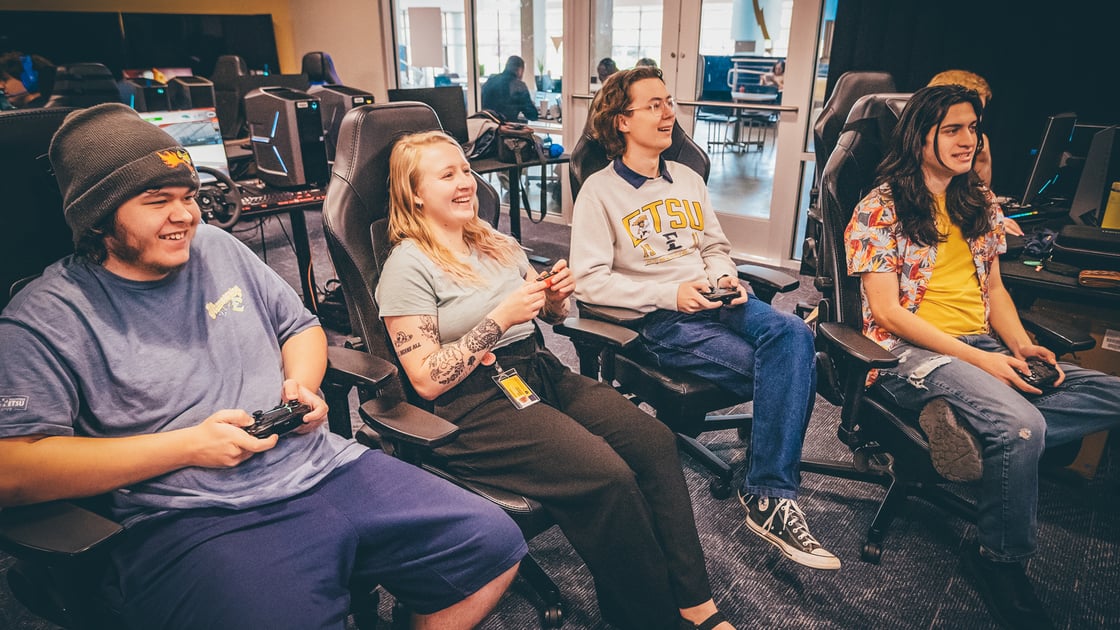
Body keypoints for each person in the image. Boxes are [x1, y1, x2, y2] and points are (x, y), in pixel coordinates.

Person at [0, 103, 525, 630]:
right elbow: (13, 470)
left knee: (492, 546)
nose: (186, 216)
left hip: (321, 465)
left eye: (188, 197)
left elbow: (300, 327)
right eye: (158, 201)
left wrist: (302, 383)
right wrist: (189, 445)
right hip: (194, 514)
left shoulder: (218, 248)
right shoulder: (47, 316)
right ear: (98, 217)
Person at [376, 129, 734, 630]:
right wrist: (498, 319)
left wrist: (554, 299)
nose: (466, 183)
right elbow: (427, 380)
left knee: (653, 441)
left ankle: (695, 601)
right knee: (606, 475)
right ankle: (651, 619)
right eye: (447, 175)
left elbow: (547, 316)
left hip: (536, 369)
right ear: (414, 192)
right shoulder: (407, 265)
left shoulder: (495, 240)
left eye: (465, 170)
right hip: (471, 403)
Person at [844, 85, 1120, 630]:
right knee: (1020, 426)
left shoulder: (979, 203)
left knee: (1108, 392)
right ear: (919, 134)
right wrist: (984, 366)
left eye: (972, 128)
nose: (967, 140)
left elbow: (994, 291)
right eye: (952, 129)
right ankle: (999, 559)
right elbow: (888, 313)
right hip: (909, 353)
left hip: (983, 344)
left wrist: (1017, 344)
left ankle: (973, 429)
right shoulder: (881, 206)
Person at [570, 66, 839, 571]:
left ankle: (766, 491)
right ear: (620, 120)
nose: (669, 112)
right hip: (663, 320)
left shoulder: (689, 178)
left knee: (795, 333)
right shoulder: (599, 193)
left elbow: (715, 246)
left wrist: (724, 276)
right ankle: (771, 496)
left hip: (720, 301)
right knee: (796, 369)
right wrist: (671, 293)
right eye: (653, 104)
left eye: (668, 101)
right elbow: (589, 282)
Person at [926, 70, 1023, 235]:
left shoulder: (979, 142)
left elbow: (978, 198)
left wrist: (991, 219)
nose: (968, 139)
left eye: (977, 116)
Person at [480, 55, 538, 122]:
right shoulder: (518, 86)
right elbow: (532, 115)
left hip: (488, 128)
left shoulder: (490, 81)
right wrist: (531, 105)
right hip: (506, 128)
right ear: (520, 70)